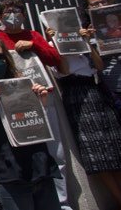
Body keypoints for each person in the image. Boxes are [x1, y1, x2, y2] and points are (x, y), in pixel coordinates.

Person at [0, 39, 61, 210]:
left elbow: (35, 126)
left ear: (6, 60)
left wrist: (41, 103)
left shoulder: (22, 85)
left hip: (39, 166)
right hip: (8, 173)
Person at [43, 23, 121, 207]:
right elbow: (64, 70)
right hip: (75, 95)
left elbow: (99, 65)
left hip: (95, 92)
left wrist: (86, 41)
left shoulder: (82, 42)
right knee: (95, 151)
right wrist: (56, 42)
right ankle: (118, 198)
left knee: (115, 147)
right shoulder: (52, 47)